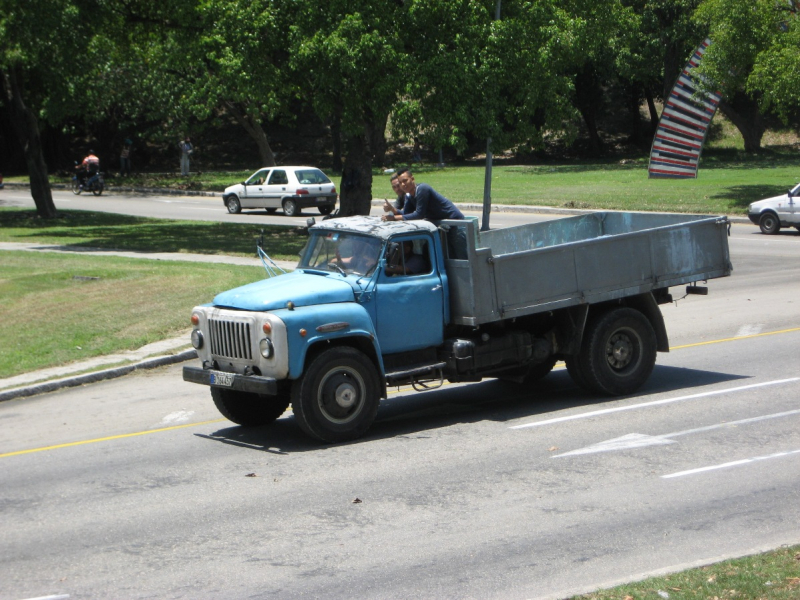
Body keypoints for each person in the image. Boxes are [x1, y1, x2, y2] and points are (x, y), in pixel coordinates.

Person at [381, 168, 463, 222]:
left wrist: (394, 218)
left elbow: (419, 214)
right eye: (400, 183)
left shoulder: (422, 189)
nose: (403, 185)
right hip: (443, 223)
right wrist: (392, 209)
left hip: (455, 221)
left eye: (405, 181)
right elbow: (406, 214)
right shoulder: (408, 195)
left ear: (412, 179)